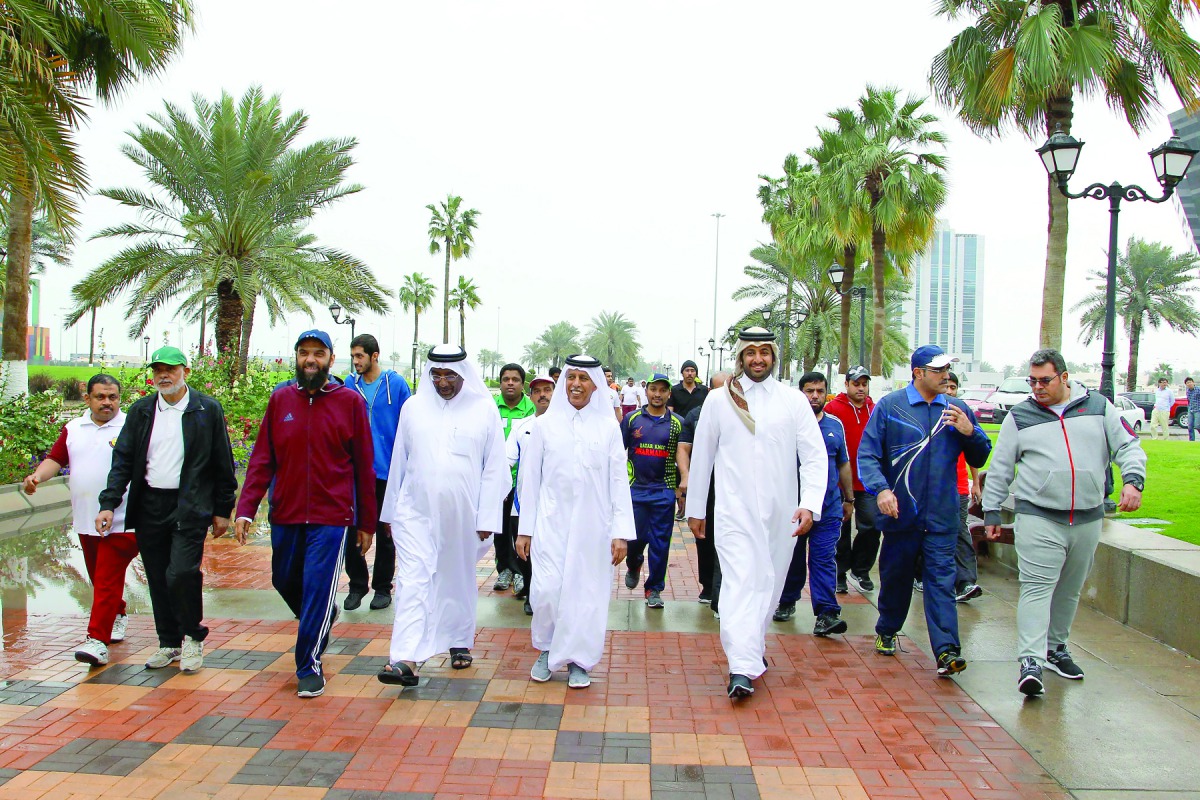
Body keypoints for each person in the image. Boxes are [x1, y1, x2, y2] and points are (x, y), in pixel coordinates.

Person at [983, 349, 1146, 697]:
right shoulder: (1021, 417)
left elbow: (1129, 446)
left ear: (1065, 377)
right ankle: (1030, 660)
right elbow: (1000, 467)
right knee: (1037, 587)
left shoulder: (1099, 408)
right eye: (1033, 381)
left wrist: (1133, 480)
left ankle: (1056, 649)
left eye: (1045, 380)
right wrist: (992, 511)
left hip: (1087, 517)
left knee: (1070, 590)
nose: (1038, 387)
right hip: (1038, 515)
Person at [685, 328, 828, 699]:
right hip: (733, 511)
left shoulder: (792, 401)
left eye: (765, 352)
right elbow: (702, 457)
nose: (758, 359)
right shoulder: (719, 401)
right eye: (751, 353)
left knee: (769, 585)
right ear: (740, 358)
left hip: (783, 512)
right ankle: (741, 667)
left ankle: (750, 649)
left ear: (774, 357)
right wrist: (696, 509)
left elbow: (814, 456)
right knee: (737, 584)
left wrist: (810, 503)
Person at [234, 330, 377, 698]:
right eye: (303, 353)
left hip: (332, 518)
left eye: (318, 353)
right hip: (287, 512)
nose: (310, 360)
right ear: (296, 357)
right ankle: (320, 619)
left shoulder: (349, 402)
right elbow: (262, 458)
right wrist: (246, 509)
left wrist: (366, 523)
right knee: (284, 580)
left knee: (316, 587)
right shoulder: (281, 400)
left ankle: (308, 664)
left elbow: (364, 466)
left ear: (331, 359)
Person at [97, 346, 238, 674]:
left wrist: (222, 508)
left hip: (189, 505)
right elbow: (124, 460)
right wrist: (109, 503)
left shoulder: (206, 410)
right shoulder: (142, 411)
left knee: (181, 573)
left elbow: (223, 462)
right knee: (158, 576)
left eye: (170, 369)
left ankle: (193, 636)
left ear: (184, 372)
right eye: (158, 369)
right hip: (150, 506)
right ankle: (168, 642)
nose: (164, 375)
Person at [377, 345, 509, 686]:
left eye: (450, 375)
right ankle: (404, 658)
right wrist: (390, 512)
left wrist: (488, 518)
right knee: (412, 581)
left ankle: (459, 640)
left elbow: (495, 468)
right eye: (436, 374)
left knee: (456, 578)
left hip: (465, 516)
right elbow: (399, 463)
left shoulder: (484, 409)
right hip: (414, 513)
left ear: (463, 374)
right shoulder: (413, 408)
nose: (443, 382)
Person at [857, 345, 991, 678]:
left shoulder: (958, 409)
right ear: (918, 373)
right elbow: (868, 455)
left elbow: (980, 456)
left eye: (948, 369)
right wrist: (883, 490)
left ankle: (947, 651)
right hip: (902, 516)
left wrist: (970, 432)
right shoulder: (891, 407)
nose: (946, 375)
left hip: (943, 517)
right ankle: (887, 628)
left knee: (941, 582)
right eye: (938, 370)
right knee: (896, 577)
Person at [515, 355, 636, 688]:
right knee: (547, 590)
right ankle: (547, 648)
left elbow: (617, 482)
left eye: (584, 378)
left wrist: (621, 533)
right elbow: (530, 481)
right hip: (549, 524)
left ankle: (579, 659)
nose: (577, 384)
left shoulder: (609, 427)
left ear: (595, 384)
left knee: (585, 594)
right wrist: (525, 530)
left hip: (594, 528)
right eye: (572, 378)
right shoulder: (543, 426)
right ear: (564, 382)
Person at [24, 375, 138, 666]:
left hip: (124, 518)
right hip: (86, 518)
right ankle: (119, 614)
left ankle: (96, 641)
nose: (107, 403)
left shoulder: (132, 426)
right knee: (99, 577)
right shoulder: (73, 428)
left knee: (106, 577)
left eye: (112, 397)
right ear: (87, 399)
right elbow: (56, 459)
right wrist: (38, 476)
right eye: (100, 397)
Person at [773, 372, 853, 636]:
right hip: (793, 507)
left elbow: (843, 464)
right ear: (801, 393)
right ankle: (786, 601)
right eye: (809, 391)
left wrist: (849, 498)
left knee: (823, 559)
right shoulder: (787, 425)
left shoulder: (835, 425)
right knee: (791, 558)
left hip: (828, 507)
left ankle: (827, 613)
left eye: (820, 391)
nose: (815, 396)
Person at [342, 333, 411, 611]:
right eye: (353, 356)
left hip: (388, 473)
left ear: (374, 356)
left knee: (386, 532)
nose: (356, 361)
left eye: (360, 356)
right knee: (352, 530)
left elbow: (408, 426)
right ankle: (357, 585)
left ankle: (383, 588)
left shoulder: (396, 384)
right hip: (355, 474)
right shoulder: (348, 385)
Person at [621, 373, 684, 609]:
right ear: (646, 391)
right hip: (635, 491)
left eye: (662, 391)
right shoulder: (631, 419)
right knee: (635, 540)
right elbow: (618, 453)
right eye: (653, 389)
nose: (657, 395)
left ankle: (654, 588)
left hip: (664, 491)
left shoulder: (677, 422)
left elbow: (682, 455)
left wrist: (681, 487)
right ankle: (633, 562)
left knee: (660, 543)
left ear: (669, 393)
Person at [676, 371, 729, 608]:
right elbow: (684, 448)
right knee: (704, 538)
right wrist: (686, 477)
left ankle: (721, 595)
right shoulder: (695, 416)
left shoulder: (744, 415)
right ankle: (708, 586)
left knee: (727, 538)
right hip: (705, 487)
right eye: (718, 389)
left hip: (732, 488)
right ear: (709, 391)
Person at [824, 366, 877, 595]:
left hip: (868, 482)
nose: (861, 388)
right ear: (846, 385)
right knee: (840, 530)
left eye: (864, 384)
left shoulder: (875, 410)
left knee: (872, 525)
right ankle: (840, 573)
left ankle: (861, 568)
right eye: (856, 384)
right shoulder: (833, 409)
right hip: (839, 482)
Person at [507, 374, 555, 615]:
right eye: (537, 391)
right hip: (522, 503)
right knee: (524, 550)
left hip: (554, 504)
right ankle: (530, 589)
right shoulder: (521, 427)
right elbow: (507, 461)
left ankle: (546, 594)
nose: (543, 395)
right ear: (531, 396)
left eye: (548, 390)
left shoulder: (564, 426)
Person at [494, 363, 535, 597]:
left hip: (522, 483)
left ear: (522, 384)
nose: (510, 383)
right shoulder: (490, 408)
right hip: (497, 482)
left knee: (517, 528)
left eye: (515, 379)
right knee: (498, 527)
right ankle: (504, 569)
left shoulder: (531, 410)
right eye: (506, 379)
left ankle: (521, 572)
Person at [945, 372, 983, 603]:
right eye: (946, 385)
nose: (949, 390)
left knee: (960, 531)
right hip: (929, 489)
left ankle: (966, 581)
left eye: (953, 386)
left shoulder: (963, 415)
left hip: (958, 487)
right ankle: (919, 575)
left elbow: (974, 454)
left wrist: (975, 482)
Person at [669, 360, 709, 521]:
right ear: (682, 373)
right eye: (687, 370)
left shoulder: (704, 391)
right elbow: (670, 411)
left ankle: (698, 505)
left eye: (693, 370)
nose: (690, 373)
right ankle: (681, 506)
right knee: (680, 469)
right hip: (680, 435)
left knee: (698, 467)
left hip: (699, 434)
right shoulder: (675, 390)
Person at [1187, 377, 1199, 442]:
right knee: (1190, 427)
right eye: (1187, 383)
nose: (1189, 384)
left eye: (1190, 382)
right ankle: (1192, 441)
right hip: (1190, 410)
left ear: (1193, 382)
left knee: (1197, 425)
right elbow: (1189, 400)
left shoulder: (1198, 389)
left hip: (1198, 410)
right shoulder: (1188, 391)